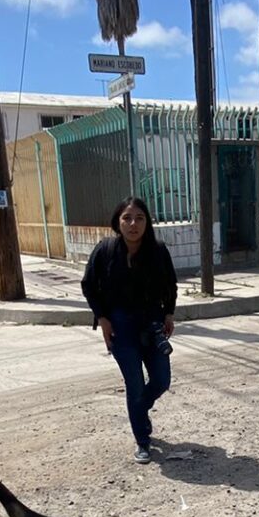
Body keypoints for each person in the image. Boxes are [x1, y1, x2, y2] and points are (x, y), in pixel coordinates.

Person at [81, 196, 178, 465]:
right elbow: (88, 285)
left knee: (161, 380)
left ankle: (139, 409)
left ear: (147, 222)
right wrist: (102, 318)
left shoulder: (158, 250)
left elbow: (170, 283)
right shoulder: (105, 250)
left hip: (153, 324)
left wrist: (169, 312)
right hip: (121, 327)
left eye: (139, 218)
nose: (133, 224)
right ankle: (142, 440)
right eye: (127, 218)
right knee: (134, 386)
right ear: (117, 222)